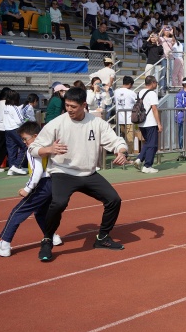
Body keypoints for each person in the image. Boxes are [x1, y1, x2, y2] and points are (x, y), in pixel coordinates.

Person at [29, 87, 129, 261]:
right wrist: (49, 149)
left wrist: (121, 152)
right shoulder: (56, 123)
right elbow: (33, 148)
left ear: (84, 105)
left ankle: (102, 237)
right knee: (58, 203)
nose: (69, 109)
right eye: (67, 105)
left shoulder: (96, 123)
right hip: (63, 172)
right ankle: (47, 240)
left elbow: (116, 141)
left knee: (114, 200)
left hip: (88, 173)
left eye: (73, 106)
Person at [0, 122, 63, 257]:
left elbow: (37, 171)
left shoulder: (33, 149)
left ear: (35, 136)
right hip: (52, 183)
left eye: (25, 138)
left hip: (41, 185)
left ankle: (4, 245)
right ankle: (51, 236)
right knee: (40, 212)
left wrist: (28, 188)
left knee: (17, 212)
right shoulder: (47, 146)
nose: (24, 142)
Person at [133, 76, 162, 173]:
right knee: (152, 145)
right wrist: (159, 123)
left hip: (142, 122)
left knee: (148, 142)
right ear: (153, 83)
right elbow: (154, 109)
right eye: (156, 82)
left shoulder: (140, 92)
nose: (157, 84)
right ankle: (147, 166)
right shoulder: (152, 93)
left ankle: (139, 159)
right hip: (150, 122)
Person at [2, 89, 27, 175]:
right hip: (16, 130)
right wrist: (26, 122)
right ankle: (17, 166)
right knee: (25, 146)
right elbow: (20, 121)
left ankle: (11, 168)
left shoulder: (5, 107)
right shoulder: (14, 108)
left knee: (11, 149)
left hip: (7, 130)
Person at [114, 76, 136, 148]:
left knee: (122, 139)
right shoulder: (131, 93)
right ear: (129, 84)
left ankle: (123, 153)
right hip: (129, 119)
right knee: (130, 140)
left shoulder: (116, 92)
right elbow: (137, 102)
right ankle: (129, 153)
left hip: (120, 119)